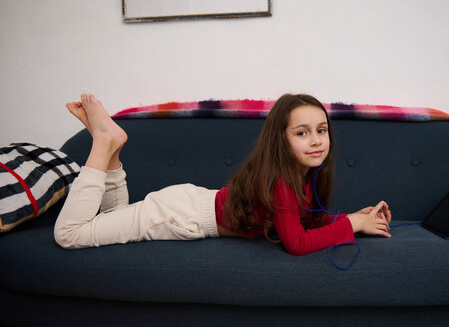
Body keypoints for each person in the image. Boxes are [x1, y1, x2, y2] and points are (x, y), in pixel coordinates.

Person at [54, 93, 392, 255]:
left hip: (187, 204)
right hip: (176, 215)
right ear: (282, 139)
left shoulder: (300, 176)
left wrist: (351, 217)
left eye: (321, 130)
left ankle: (112, 150)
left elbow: (304, 221)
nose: (316, 140)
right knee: (70, 235)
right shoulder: (281, 182)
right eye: (302, 133)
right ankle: (102, 144)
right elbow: (297, 243)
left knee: (112, 218)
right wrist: (353, 226)